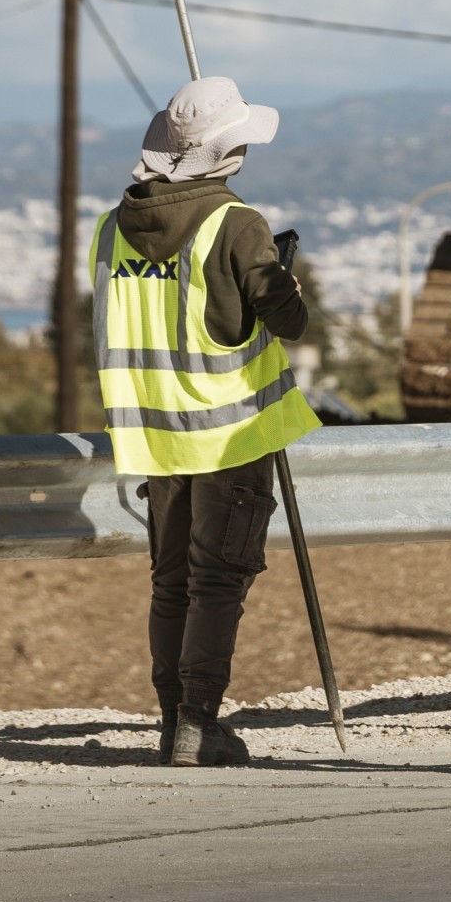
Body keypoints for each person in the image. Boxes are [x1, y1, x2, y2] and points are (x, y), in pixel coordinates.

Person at [90, 77, 319, 767]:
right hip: (228, 431)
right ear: (227, 152)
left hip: (152, 434)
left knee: (171, 580)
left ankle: (171, 721)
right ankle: (198, 724)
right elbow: (291, 321)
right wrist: (284, 279)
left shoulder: (111, 228)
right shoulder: (235, 224)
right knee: (218, 579)